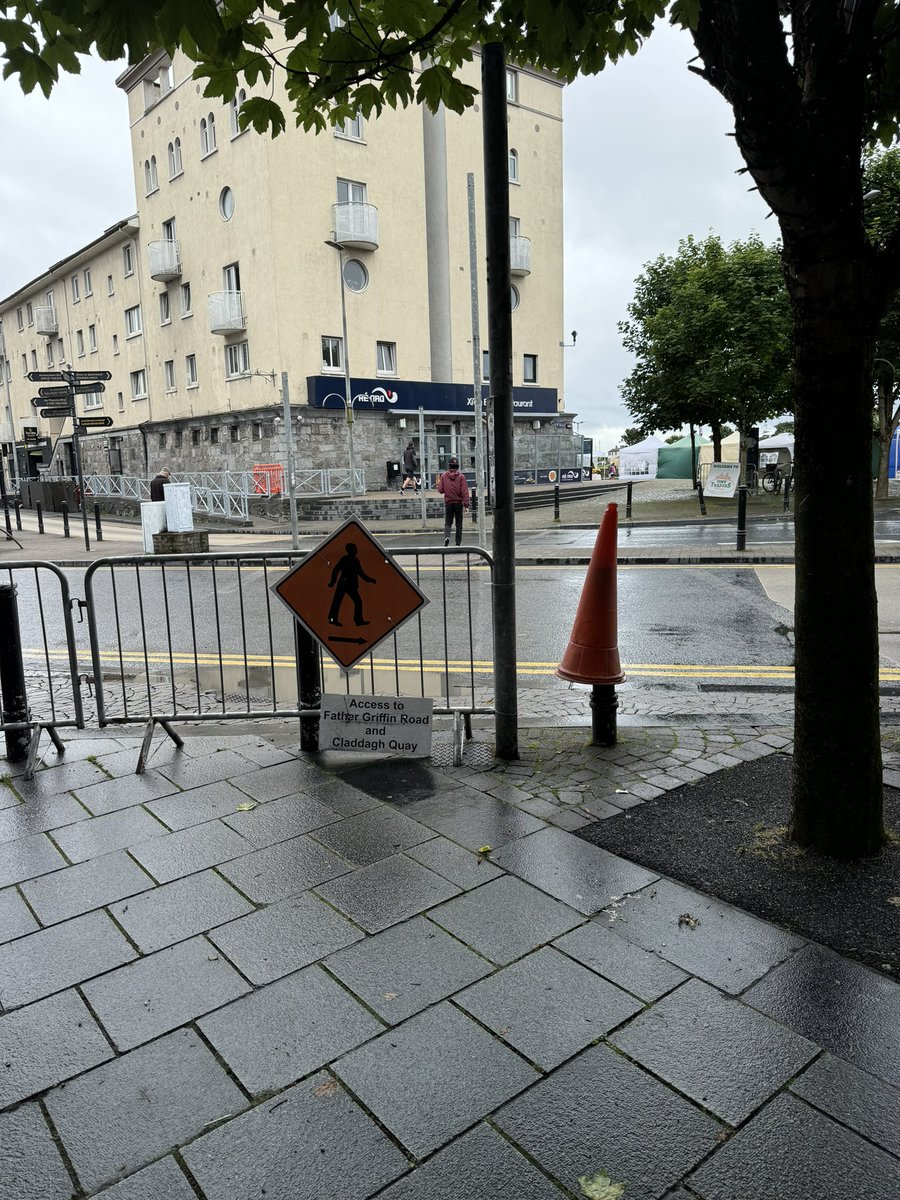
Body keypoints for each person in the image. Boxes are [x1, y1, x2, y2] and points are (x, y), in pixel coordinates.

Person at [327, 542, 375, 627]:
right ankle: (334, 619)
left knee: (349, 602)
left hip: (348, 584)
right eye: (355, 548)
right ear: (351, 550)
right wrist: (332, 582)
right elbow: (336, 570)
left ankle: (357, 620)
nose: (356, 550)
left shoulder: (354, 559)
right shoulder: (347, 559)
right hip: (345, 584)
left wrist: (370, 580)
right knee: (339, 602)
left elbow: (360, 573)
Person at [437, 457, 469, 547]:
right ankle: (457, 544)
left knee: (448, 523)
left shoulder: (443, 476)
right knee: (459, 524)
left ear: (449, 466)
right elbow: (465, 492)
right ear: (457, 466)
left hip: (449, 503)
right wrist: (466, 506)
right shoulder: (461, 477)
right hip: (458, 504)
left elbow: (440, 490)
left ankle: (447, 537)